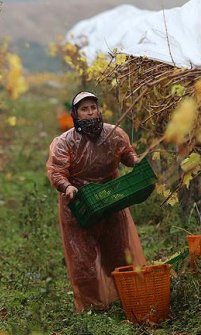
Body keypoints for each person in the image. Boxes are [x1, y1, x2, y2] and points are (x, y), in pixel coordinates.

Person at [46, 91, 147, 313]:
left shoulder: (115, 134)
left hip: (111, 199)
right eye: (84, 109)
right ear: (75, 114)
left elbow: (126, 153)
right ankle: (92, 308)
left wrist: (135, 161)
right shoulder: (65, 142)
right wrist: (67, 186)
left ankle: (126, 299)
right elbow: (57, 171)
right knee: (82, 260)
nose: (90, 112)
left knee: (119, 252)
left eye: (93, 107)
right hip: (79, 204)